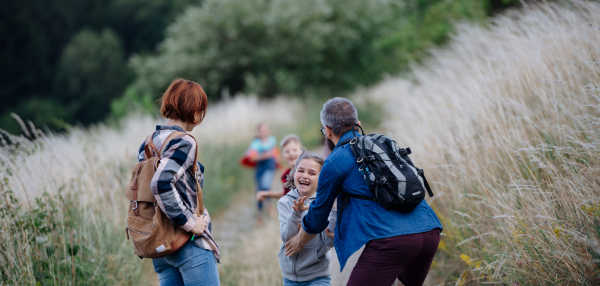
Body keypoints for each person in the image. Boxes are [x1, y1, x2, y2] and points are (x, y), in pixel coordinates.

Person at [284, 97, 443, 286]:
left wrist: (300, 241)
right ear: (357, 125)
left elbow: (318, 216)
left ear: (327, 131)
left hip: (391, 241)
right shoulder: (384, 145)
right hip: (429, 231)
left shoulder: (334, 162)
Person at [137, 78, 220, 286]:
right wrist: (191, 224)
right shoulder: (184, 141)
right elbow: (161, 183)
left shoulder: (150, 141)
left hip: (162, 244)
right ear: (194, 109)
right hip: (187, 244)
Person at [278, 149, 336, 286]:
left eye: (312, 173)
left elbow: (329, 242)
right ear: (293, 173)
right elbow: (286, 237)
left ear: (322, 178)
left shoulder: (325, 204)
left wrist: (334, 211)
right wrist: (296, 213)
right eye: (301, 170)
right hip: (290, 277)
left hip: (318, 276)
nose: (305, 176)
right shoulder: (285, 202)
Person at [256, 134, 303, 202]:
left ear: (302, 152)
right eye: (287, 151)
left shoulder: (307, 171)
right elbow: (286, 194)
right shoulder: (286, 175)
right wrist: (267, 193)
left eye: (294, 150)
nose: (291, 153)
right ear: (283, 156)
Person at [247, 122, 278, 213]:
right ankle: (260, 213)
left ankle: (269, 207)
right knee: (259, 189)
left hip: (270, 167)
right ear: (258, 132)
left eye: (266, 130)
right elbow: (252, 158)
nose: (264, 132)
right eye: (262, 131)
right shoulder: (255, 144)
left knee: (266, 186)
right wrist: (264, 156)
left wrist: (277, 160)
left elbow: (275, 152)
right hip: (260, 167)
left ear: (269, 131)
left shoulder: (272, 140)